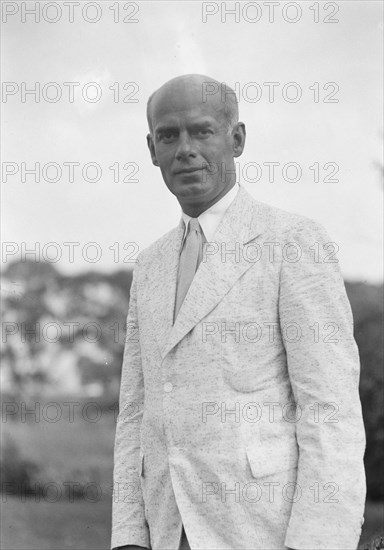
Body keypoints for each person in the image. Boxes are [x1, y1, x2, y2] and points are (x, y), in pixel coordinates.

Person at [111, 74, 366, 550]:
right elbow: (136, 412)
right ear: (151, 149)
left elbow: (329, 409)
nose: (184, 148)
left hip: (264, 531)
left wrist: (316, 543)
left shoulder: (292, 242)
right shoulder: (149, 265)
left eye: (202, 130)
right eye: (168, 135)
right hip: (168, 530)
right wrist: (128, 536)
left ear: (237, 139)